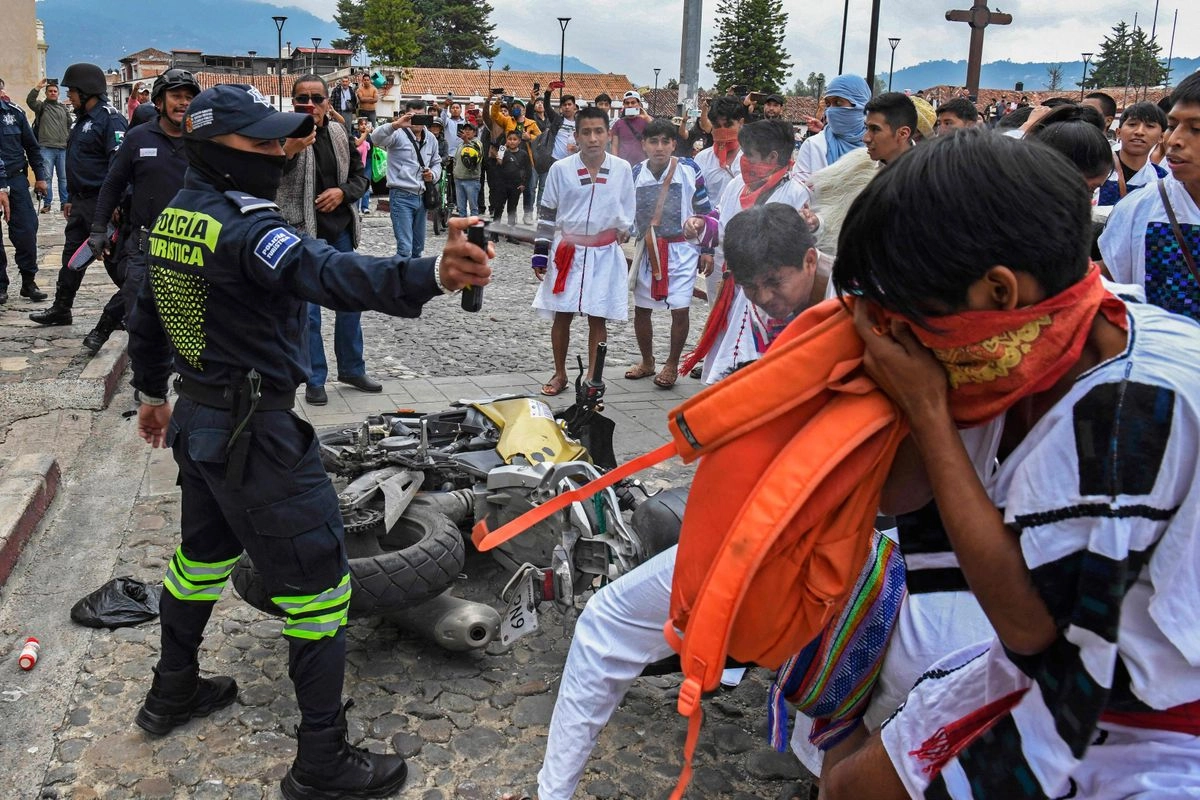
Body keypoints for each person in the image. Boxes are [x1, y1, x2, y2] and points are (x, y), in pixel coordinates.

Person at [124, 83, 491, 800]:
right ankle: (322, 760)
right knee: (321, 592)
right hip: (256, 436)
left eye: (279, 140)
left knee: (200, 561)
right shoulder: (246, 228)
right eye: (259, 143)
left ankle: (173, 690)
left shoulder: (176, 215)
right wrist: (429, 273)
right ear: (212, 148)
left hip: (201, 422)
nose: (277, 152)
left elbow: (148, 311)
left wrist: (151, 393)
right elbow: (323, 271)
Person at [822, 125, 1200, 800]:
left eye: (920, 314)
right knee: (850, 786)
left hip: (1143, 707)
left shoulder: (1129, 407)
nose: (911, 335)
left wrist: (929, 411)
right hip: (1054, 662)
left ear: (999, 293)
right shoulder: (1056, 331)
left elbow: (1029, 630)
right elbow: (900, 496)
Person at [533, 204, 827, 800]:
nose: (765, 298)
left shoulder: (856, 317)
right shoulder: (768, 309)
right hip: (754, 517)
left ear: (810, 259)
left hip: (825, 532)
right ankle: (551, 791)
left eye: (775, 283)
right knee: (604, 623)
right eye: (750, 286)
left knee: (839, 708)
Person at [683, 119, 813, 383]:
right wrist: (701, 225)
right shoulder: (736, 186)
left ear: (772, 157)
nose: (743, 161)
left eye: (749, 154)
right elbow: (720, 221)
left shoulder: (796, 194)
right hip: (734, 286)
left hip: (769, 294)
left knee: (756, 361)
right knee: (726, 358)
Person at [82, 69, 199, 354]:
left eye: (189, 97)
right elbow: (113, 184)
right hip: (144, 246)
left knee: (187, 325)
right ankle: (147, 373)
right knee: (141, 319)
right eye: (176, 96)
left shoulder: (204, 140)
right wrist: (98, 229)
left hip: (190, 246)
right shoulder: (137, 138)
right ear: (159, 102)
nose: (183, 102)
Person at [277, 75, 376, 406]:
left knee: (351, 302)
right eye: (302, 98)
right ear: (293, 102)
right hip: (301, 233)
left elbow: (361, 177)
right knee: (309, 313)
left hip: (340, 230)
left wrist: (342, 193)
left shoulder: (338, 133)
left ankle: (351, 369)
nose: (310, 104)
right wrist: (287, 152)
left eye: (316, 98)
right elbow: (265, 178)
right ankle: (314, 378)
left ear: (327, 102)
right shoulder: (281, 134)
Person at [531, 105, 635, 396]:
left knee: (597, 315)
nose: (593, 138)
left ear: (608, 134)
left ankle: (593, 376)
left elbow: (629, 209)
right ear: (575, 136)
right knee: (561, 313)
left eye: (598, 131)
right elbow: (547, 213)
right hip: (568, 251)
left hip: (603, 254)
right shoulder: (560, 169)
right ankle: (560, 373)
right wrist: (541, 252)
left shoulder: (622, 169)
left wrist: (625, 229)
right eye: (586, 132)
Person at [30, 63, 128, 329]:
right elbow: (76, 163)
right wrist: (71, 197)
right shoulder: (82, 120)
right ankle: (62, 308)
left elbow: (119, 166)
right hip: (81, 202)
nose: (69, 96)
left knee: (114, 260)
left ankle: (136, 307)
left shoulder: (110, 119)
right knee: (72, 256)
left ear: (87, 91)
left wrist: (116, 203)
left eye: (72, 91)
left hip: (102, 202)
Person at [1099, 73, 1200, 321]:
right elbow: (1107, 281)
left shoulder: (1156, 175)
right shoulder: (1139, 207)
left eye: (1197, 129)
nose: (1175, 140)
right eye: (1173, 126)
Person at [625, 119, 713, 389]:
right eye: (653, 141)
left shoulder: (689, 169)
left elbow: (705, 210)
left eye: (665, 141)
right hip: (648, 249)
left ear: (674, 144)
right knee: (642, 308)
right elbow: (627, 211)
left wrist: (707, 249)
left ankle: (672, 364)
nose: (659, 147)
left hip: (682, 249)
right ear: (644, 145)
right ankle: (647, 361)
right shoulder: (636, 173)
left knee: (680, 308)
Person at [371, 99, 441, 258]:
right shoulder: (397, 134)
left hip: (422, 197)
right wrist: (395, 124)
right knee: (405, 249)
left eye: (421, 116)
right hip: (401, 196)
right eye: (413, 116)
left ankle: (413, 274)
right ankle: (400, 274)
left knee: (418, 248)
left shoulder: (431, 138)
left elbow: (437, 162)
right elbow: (375, 138)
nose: (417, 121)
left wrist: (433, 174)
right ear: (406, 115)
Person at [0, 79, 48, 305]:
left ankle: (29, 281)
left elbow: (32, 146)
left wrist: (41, 177)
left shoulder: (14, 113)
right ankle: (1, 285)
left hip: (16, 178)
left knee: (27, 230)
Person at [792, 74, 870, 184]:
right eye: (828, 104)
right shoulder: (813, 146)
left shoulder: (880, 147)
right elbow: (800, 190)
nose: (831, 110)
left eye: (838, 102)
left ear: (861, 104)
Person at [1095, 101, 1169, 209]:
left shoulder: (1162, 179)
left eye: (1150, 126)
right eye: (1132, 124)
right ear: (1118, 132)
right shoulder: (1095, 167)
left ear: (1161, 137)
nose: (1139, 132)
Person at [489, 97, 541, 223]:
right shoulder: (508, 120)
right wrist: (497, 103)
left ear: (524, 110)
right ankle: (510, 215)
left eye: (519, 107)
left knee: (529, 188)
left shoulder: (531, 123)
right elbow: (494, 115)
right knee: (509, 189)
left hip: (526, 159)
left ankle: (528, 213)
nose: (516, 109)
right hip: (508, 158)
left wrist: (529, 137)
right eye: (514, 107)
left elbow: (541, 138)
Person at [26, 78, 72, 215]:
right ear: (46, 93)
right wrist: (37, 87)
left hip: (63, 148)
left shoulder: (63, 108)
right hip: (46, 148)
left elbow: (69, 124)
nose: (53, 93)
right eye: (50, 91)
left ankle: (64, 203)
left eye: (55, 91)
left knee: (63, 178)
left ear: (58, 93)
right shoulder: (41, 106)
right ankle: (47, 203)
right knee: (47, 177)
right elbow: (30, 101)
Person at [862, 92, 917, 165]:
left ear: (903, 134)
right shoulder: (860, 165)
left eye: (875, 129)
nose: (865, 139)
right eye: (866, 128)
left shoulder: (927, 170)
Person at [493, 129, 531, 225]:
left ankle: (511, 229)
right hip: (502, 185)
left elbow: (528, 170)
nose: (512, 141)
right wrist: (500, 156)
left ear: (519, 141)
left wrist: (523, 184)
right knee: (498, 207)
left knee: (512, 208)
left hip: (516, 186)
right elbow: (498, 166)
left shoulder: (523, 154)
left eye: (515, 139)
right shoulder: (503, 151)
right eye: (509, 139)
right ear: (506, 140)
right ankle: (495, 228)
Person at [610, 90, 650, 164]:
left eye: (633, 102)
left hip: (642, 165)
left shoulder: (647, 121)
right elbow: (614, 146)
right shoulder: (618, 123)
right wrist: (615, 163)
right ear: (624, 105)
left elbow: (659, 133)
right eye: (627, 103)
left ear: (639, 104)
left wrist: (647, 118)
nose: (630, 105)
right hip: (623, 165)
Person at [452, 121, 483, 217]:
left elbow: (475, 153)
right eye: (465, 129)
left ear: (475, 132)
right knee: (461, 208)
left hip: (471, 180)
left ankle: (473, 226)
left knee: (473, 208)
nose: (467, 131)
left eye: (470, 130)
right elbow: (456, 160)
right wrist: (454, 172)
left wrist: (466, 141)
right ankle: (463, 225)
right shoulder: (460, 145)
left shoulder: (477, 143)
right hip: (458, 179)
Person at [353, 116, 373, 214]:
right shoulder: (355, 134)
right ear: (358, 126)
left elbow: (374, 145)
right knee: (357, 184)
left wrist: (372, 133)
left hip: (368, 161)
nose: (364, 126)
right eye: (361, 124)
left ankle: (365, 206)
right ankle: (356, 207)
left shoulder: (370, 136)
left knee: (366, 183)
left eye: (365, 124)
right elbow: (357, 143)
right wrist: (365, 134)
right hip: (357, 162)